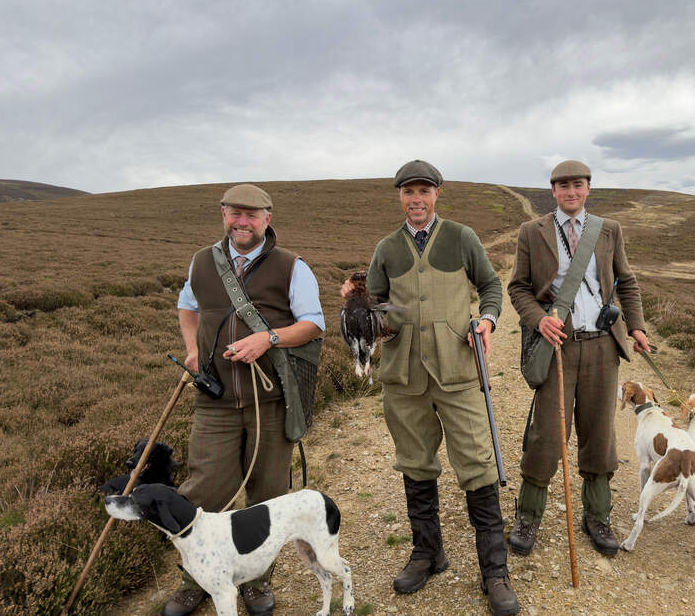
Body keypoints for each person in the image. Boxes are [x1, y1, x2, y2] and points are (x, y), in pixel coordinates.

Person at [342, 160, 519, 615]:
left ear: (437, 194)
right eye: (407, 192)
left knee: (479, 465)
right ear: (399, 197)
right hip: (403, 376)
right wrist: (359, 308)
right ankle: (427, 553)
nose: (415, 199)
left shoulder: (461, 237)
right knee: (415, 464)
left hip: (458, 372)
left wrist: (488, 319)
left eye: (423, 191)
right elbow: (379, 311)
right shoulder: (385, 248)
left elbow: (491, 285)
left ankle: (494, 572)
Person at [167, 184, 325, 616]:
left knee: (268, 494)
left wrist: (267, 339)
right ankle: (193, 580)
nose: (243, 222)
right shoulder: (202, 262)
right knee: (203, 491)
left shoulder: (293, 267)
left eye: (252, 215)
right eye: (236, 213)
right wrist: (193, 349)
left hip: (269, 399)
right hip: (213, 399)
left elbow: (313, 323)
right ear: (223, 214)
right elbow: (187, 306)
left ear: (267, 219)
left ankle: (256, 581)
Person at [506, 160, 650, 557]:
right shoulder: (531, 232)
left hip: (603, 344)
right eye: (563, 185)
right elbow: (518, 288)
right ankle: (528, 516)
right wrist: (539, 321)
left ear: (588, 189)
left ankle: (597, 516)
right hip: (558, 348)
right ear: (553, 191)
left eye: (578, 185)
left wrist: (636, 328)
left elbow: (628, 281)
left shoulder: (609, 230)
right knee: (548, 433)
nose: (571, 191)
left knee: (600, 432)